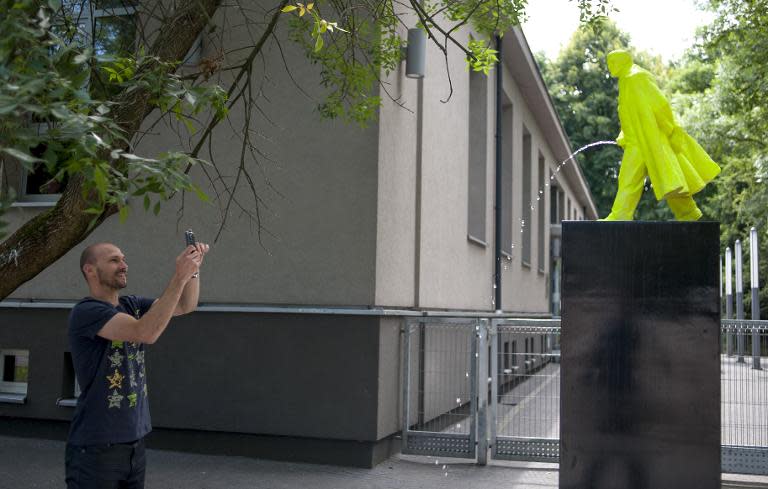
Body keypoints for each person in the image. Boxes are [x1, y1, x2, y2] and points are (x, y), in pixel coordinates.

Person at [65, 240, 209, 488]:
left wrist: (192, 269)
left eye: (123, 258)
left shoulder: (130, 305)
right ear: (90, 270)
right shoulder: (86, 312)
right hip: (96, 449)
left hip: (134, 445)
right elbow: (145, 332)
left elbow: (185, 305)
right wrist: (178, 276)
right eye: (114, 260)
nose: (124, 265)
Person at [603, 49, 721, 221]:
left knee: (653, 178)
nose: (610, 66)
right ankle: (688, 213)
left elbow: (659, 105)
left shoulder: (636, 77)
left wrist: (671, 129)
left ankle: (621, 215)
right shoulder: (626, 80)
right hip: (639, 140)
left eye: (613, 62)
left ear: (624, 60)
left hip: (649, 139)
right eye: (609, 62)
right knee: (664, 178)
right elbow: (630, 113)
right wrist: (624, 135)